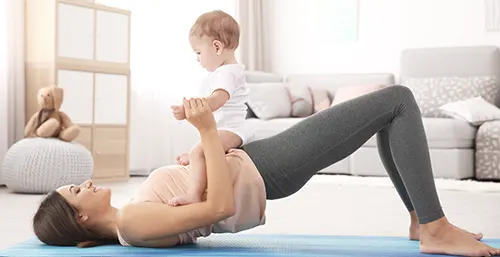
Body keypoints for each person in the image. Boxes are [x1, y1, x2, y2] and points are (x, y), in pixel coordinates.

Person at [32, 86, 500, 257]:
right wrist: (207, 133)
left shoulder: (134, 212)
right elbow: (220, 207)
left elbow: (204, 193)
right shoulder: (132, 224)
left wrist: (209, 143)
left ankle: (423, 220)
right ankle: (435, 227)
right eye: (77, 190)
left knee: (388, 113)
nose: (88, 183)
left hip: (258, 160)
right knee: (397, 101)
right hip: (269, 169)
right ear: (81, 221)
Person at [169, 10, 253, 206]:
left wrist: (188, 110)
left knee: (199, 151)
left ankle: (193, 195)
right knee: (200, 149)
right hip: (225, 128)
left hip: (233, 129)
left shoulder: (227, 73)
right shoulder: (226, 72)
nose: (197, 60)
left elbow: (217, 99)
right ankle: (194, 158)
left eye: (198, 53)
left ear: (216, 47)